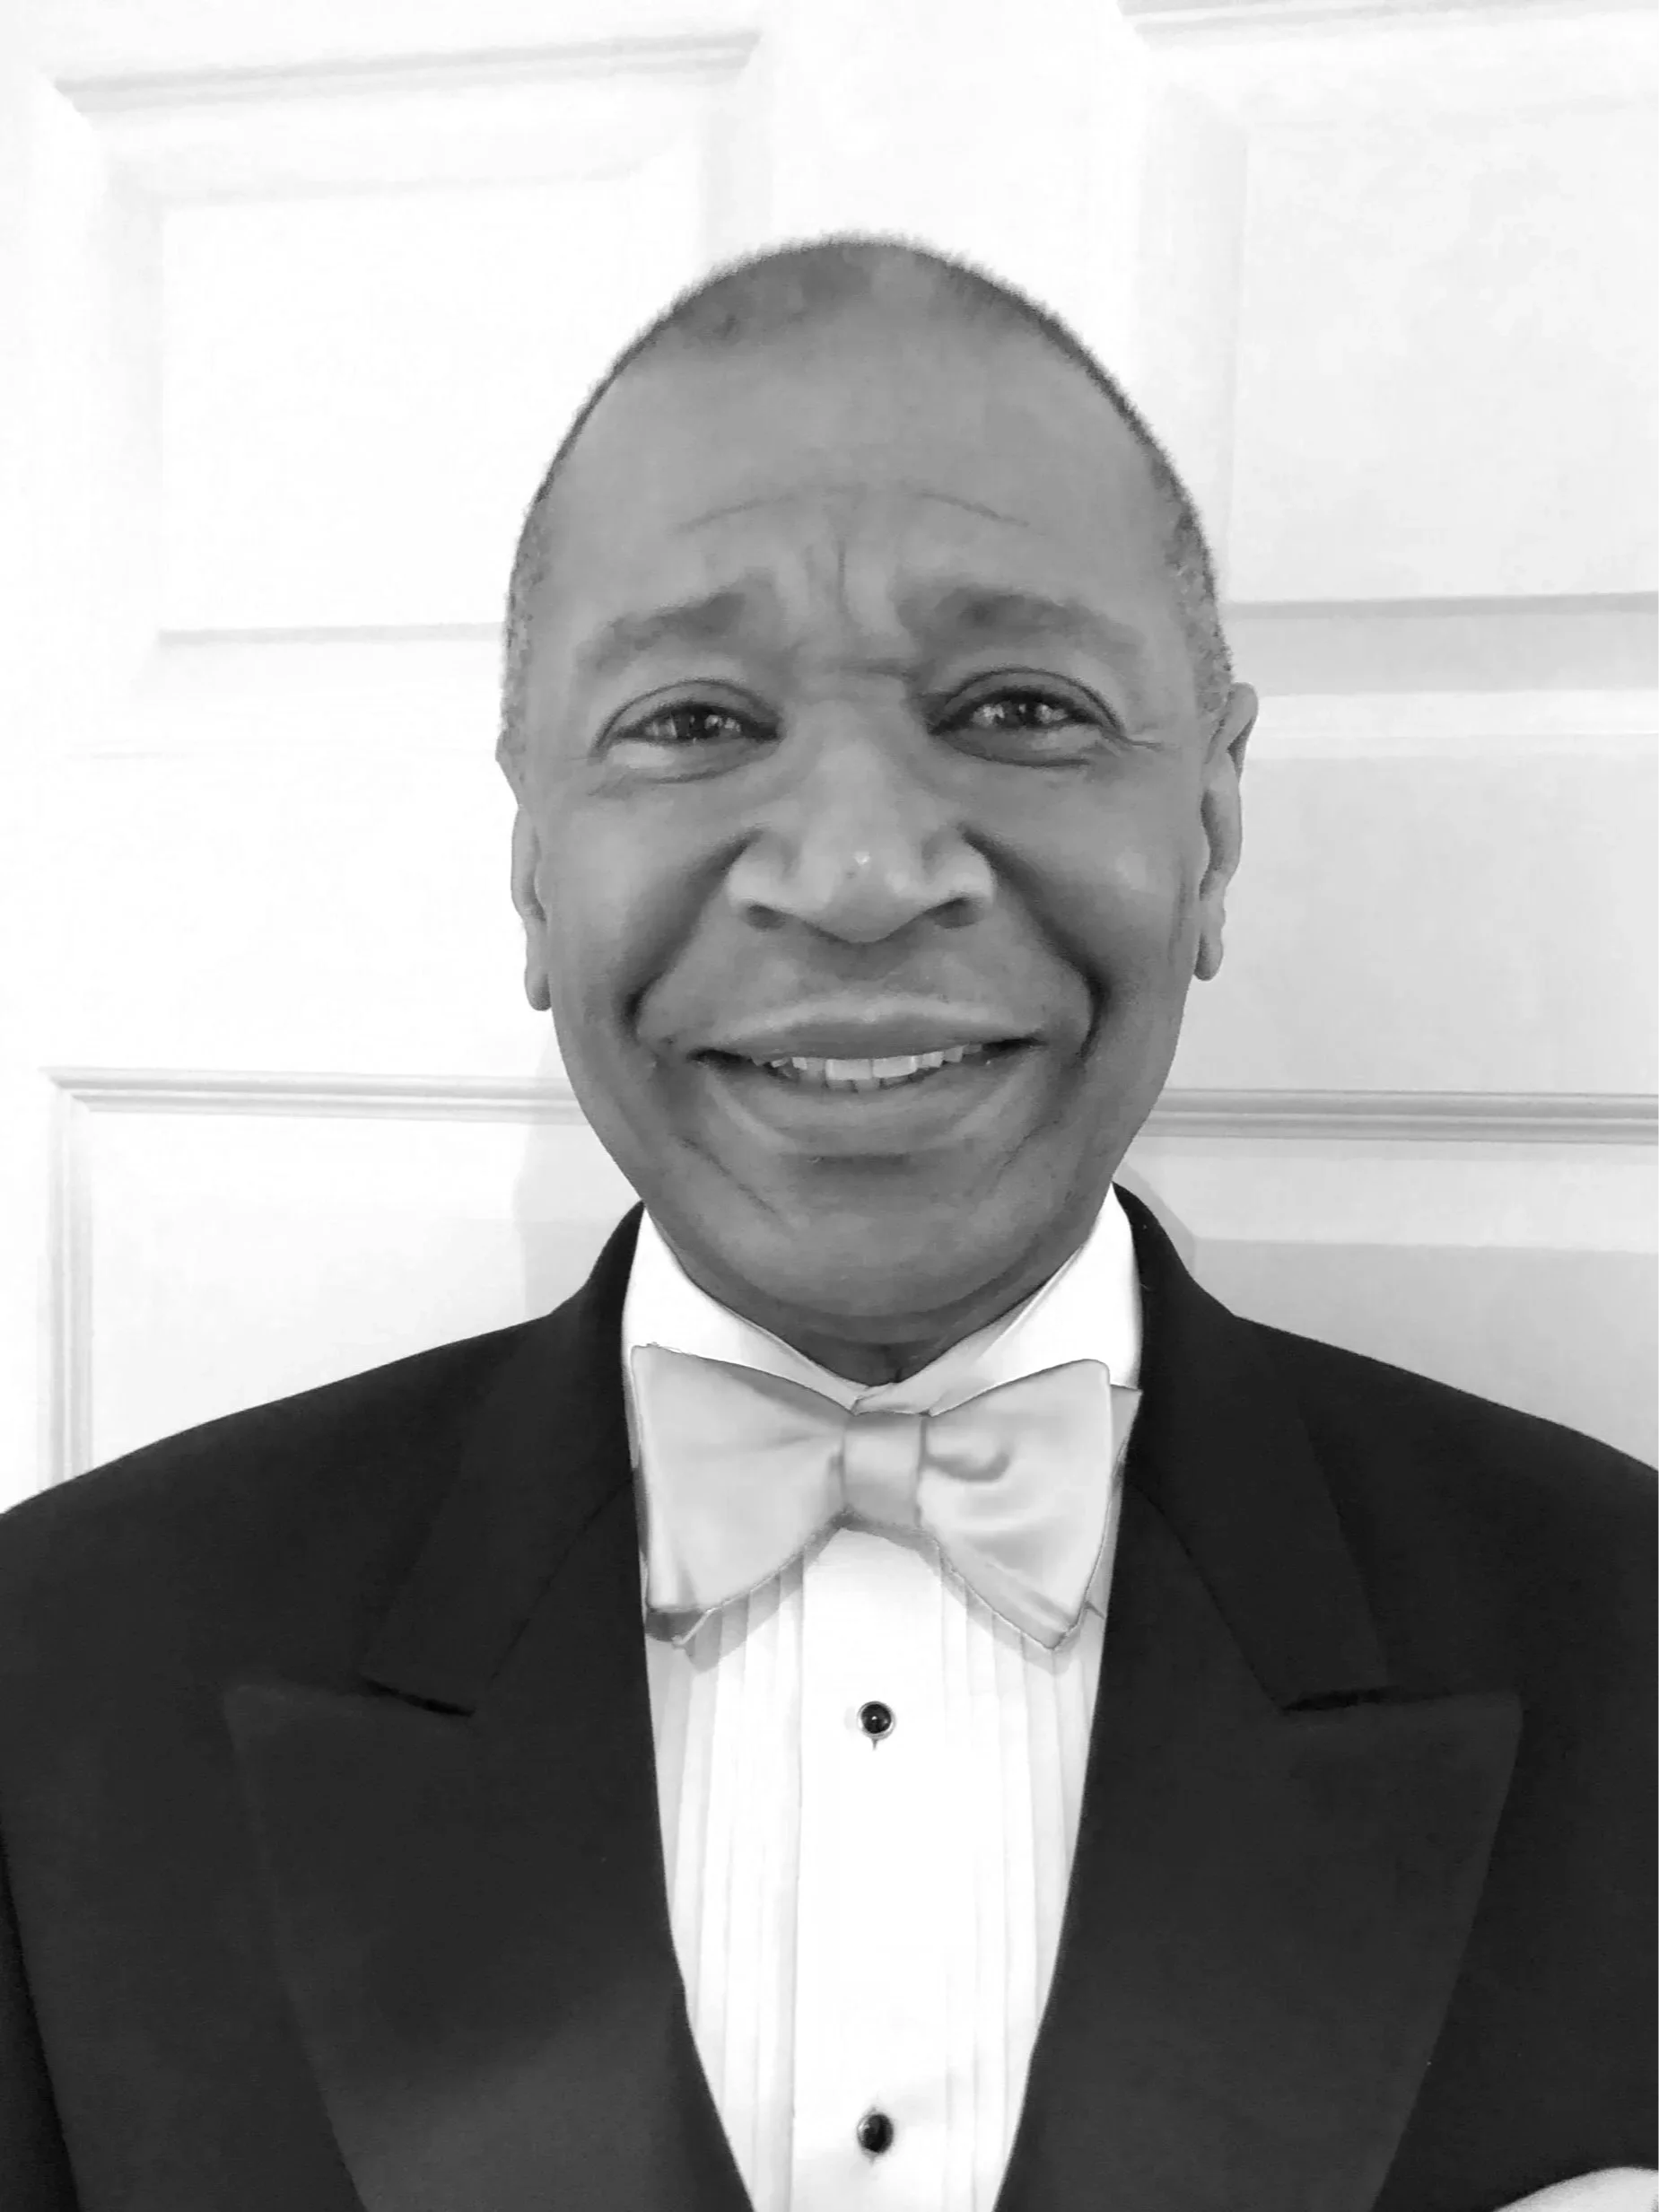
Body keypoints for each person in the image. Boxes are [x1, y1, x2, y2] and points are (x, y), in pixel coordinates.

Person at [1, 235, 1655, 2212]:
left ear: (1213, 827)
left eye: (1023, 705)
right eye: (694, 722)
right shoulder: (56, 1676)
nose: (861, 872)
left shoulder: (1629, 1640)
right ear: (532, 864)